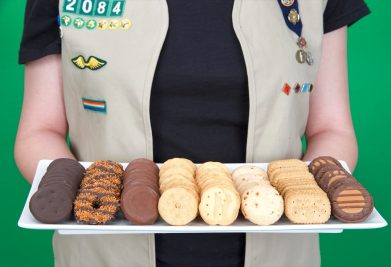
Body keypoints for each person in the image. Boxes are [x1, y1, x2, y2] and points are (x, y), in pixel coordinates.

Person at [15, 0, 370, 266]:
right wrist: (76, 198)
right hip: (102, 254)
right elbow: (39, 131)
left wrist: (303, 199)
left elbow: (331, 129)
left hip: (280, 253)